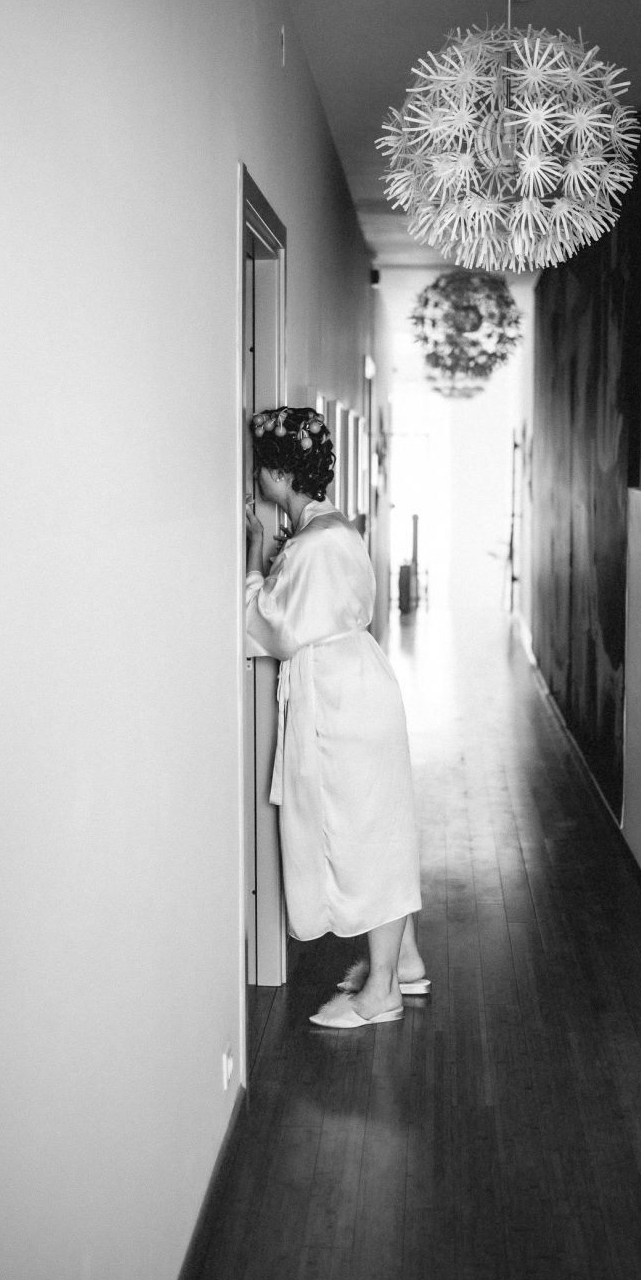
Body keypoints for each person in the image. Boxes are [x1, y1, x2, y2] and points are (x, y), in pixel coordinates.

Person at [245, 405, 428, 1028]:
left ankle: (381, 992)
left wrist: (252, 557)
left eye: (260, 467)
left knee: (361, 837)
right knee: (378, 828)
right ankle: (400, 961)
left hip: (340, 706)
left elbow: (271, 625)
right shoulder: (333, 530)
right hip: (360, 686)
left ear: (276, 474)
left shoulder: (314, 544)